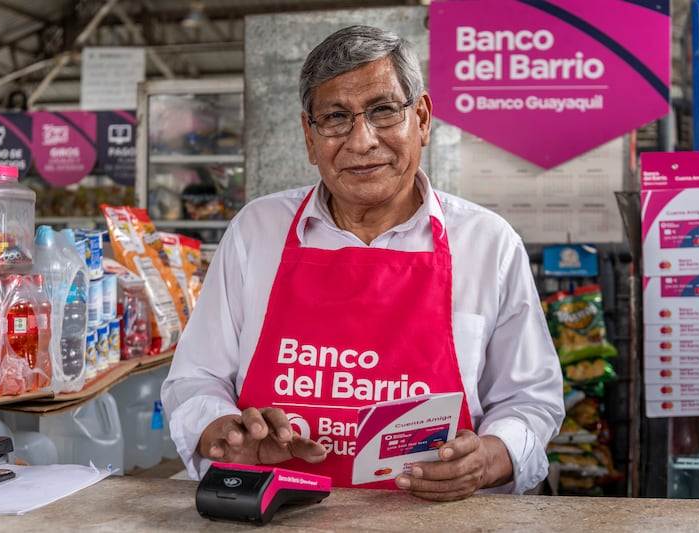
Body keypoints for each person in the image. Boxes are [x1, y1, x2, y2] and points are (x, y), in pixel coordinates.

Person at [161, 24, 564, 502]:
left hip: (442, 519)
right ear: (310, 138)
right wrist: (222, 432)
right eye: (335, 118)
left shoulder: (486, 242)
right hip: (275, 512)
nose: (361, 140)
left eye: (383, 111)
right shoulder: (257, 231)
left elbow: (529, 402)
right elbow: (195, 379)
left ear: (423, 118)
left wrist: (488, 459)